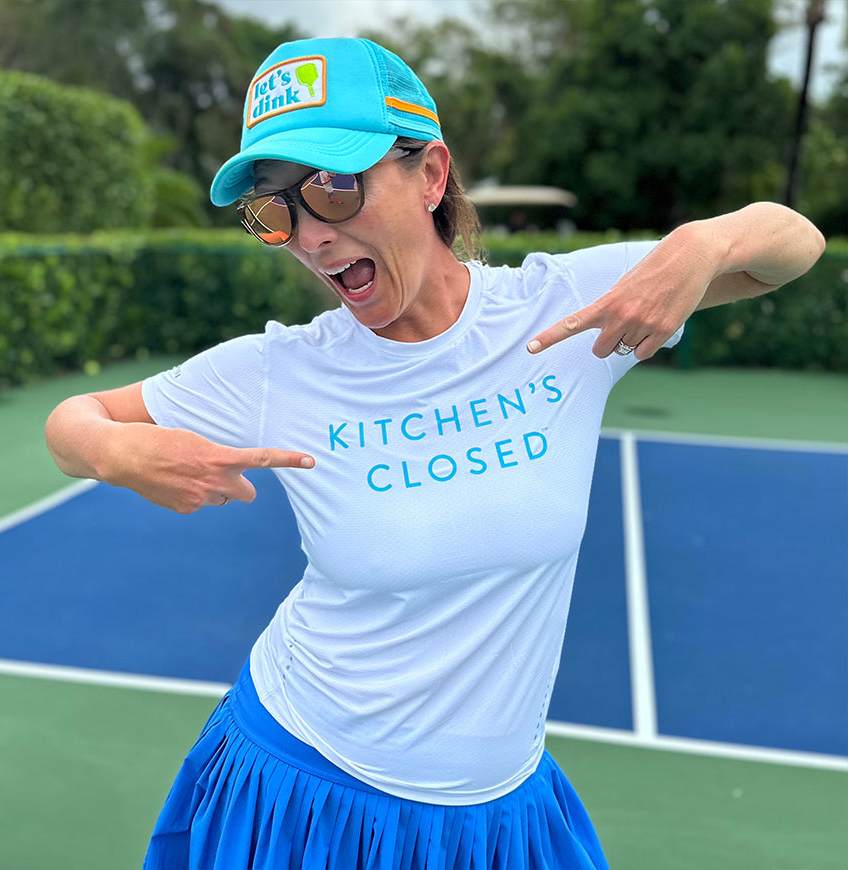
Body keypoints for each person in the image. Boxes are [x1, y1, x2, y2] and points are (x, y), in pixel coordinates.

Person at [45, 36, 825, 870]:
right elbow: (72, 420)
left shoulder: (559, 311)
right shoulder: (281, 369)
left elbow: (794, 245)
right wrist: (116, 456)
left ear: (431, 174)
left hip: (500, 813)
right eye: (277, 210)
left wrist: (704, 243)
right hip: (302, 789)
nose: (309, 235)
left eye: (333, 188)